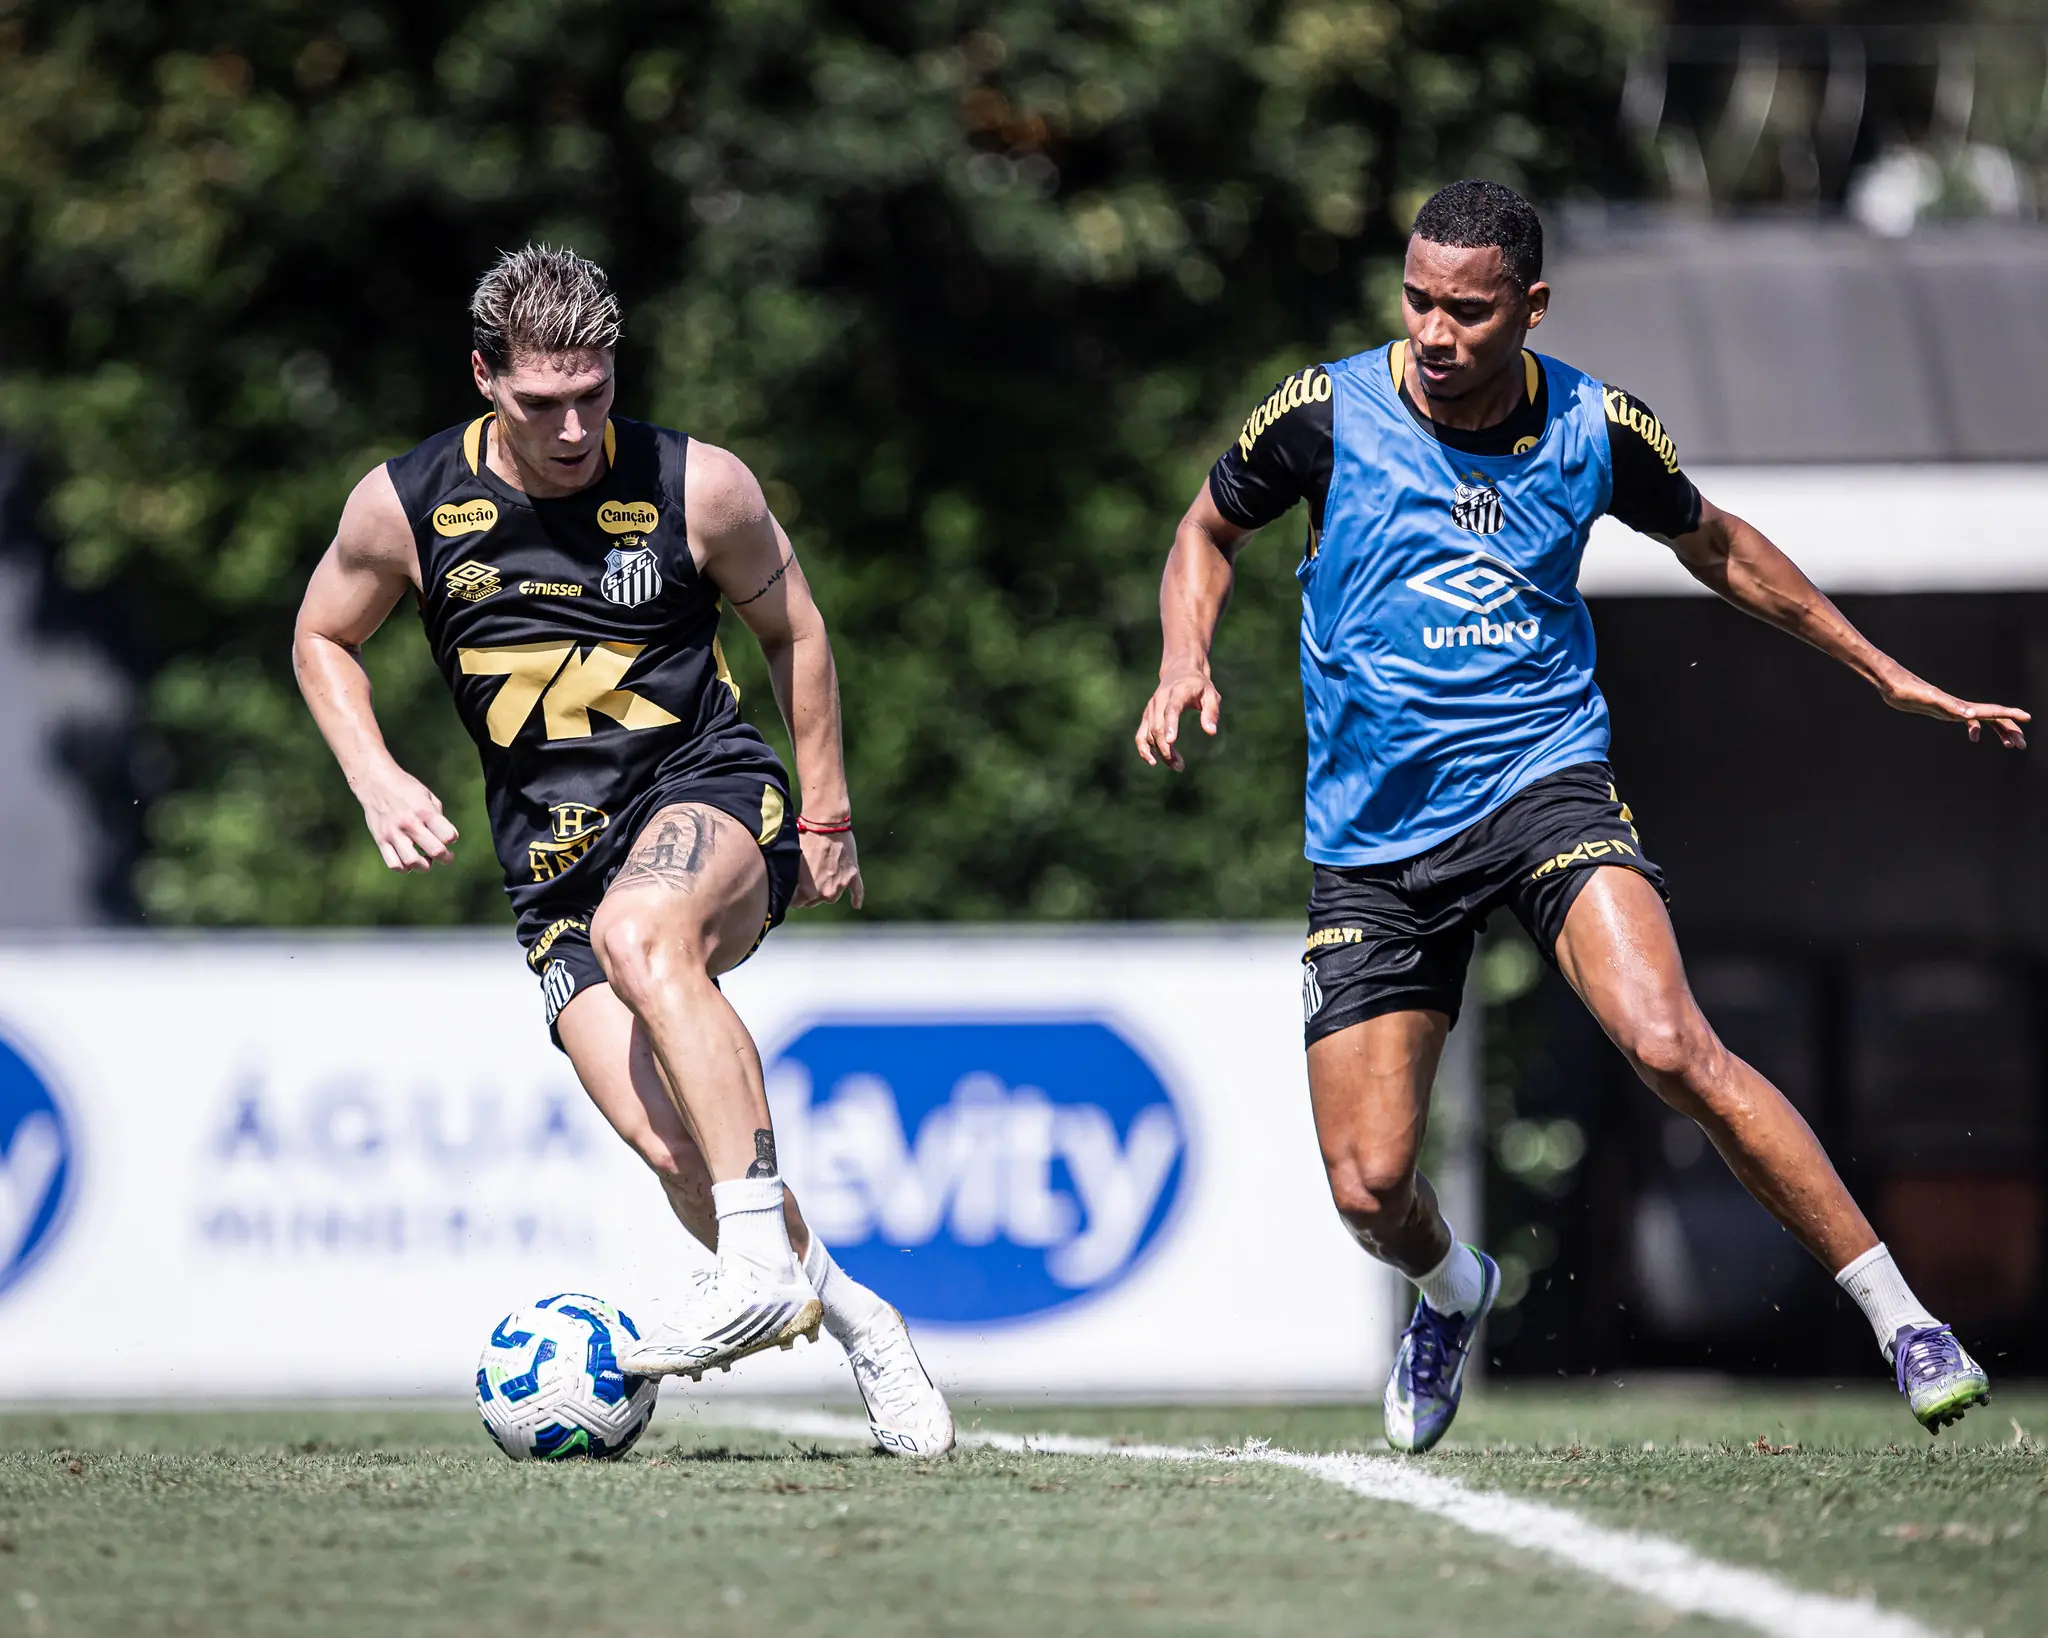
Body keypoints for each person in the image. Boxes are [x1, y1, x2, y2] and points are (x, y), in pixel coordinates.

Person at [1135, 180, 2026, 1452]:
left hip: (1541, 785)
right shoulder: (1324, 412)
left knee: (1668, 1045)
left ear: (1531, 307)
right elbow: (1204, 530)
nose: (1432, 334)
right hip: (1374, 843)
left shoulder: (1598, 428)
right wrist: (1184, 656)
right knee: (1369, 1187)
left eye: (1466, 310)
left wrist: (1877, 670)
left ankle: (1904, 1322)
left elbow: (1715, 543)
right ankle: (1453, 1290)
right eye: (1416, 302)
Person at [293, 244, 953, 1457]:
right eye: (540, 401)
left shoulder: (699, 487)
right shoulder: (405, 504)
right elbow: (321, 636)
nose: (570, 427)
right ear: (484, 377)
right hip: (551, 873)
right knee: (671, 1145)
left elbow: (796, 631)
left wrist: (825, 814)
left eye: (591, 393)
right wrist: (375, 774)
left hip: (706, 791)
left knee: (642, 934)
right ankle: (863, 1324)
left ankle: (753, 1263)